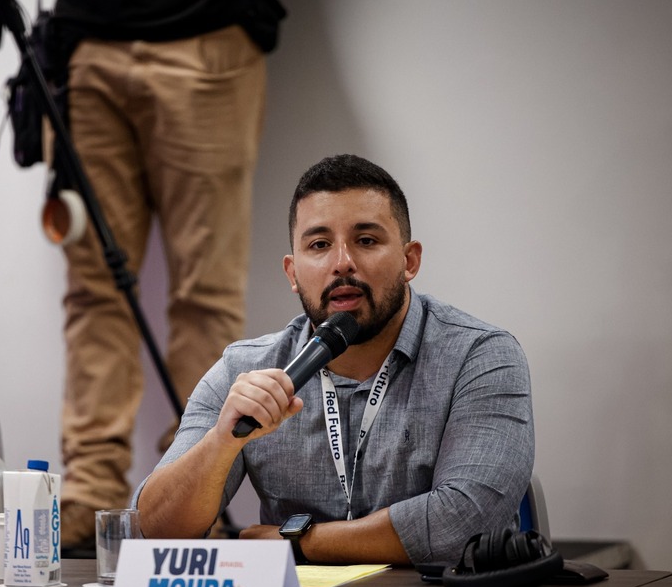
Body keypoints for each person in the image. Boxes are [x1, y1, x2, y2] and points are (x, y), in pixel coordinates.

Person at [135, 154, 535, 565]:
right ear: (292, 273)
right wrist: (221, 443)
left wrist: (299, 542)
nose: (342, 262)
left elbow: (465, 523)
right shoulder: (246, 371)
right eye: (319, 245)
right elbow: (151, 530)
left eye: (366, 240)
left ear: (409, 260)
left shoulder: (480, 357)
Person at [47, 0, 287, 549]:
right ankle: (89, 492)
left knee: (205, 292)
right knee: (92, 292)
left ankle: (193, 493)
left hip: (205, 33)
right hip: (84, 44)